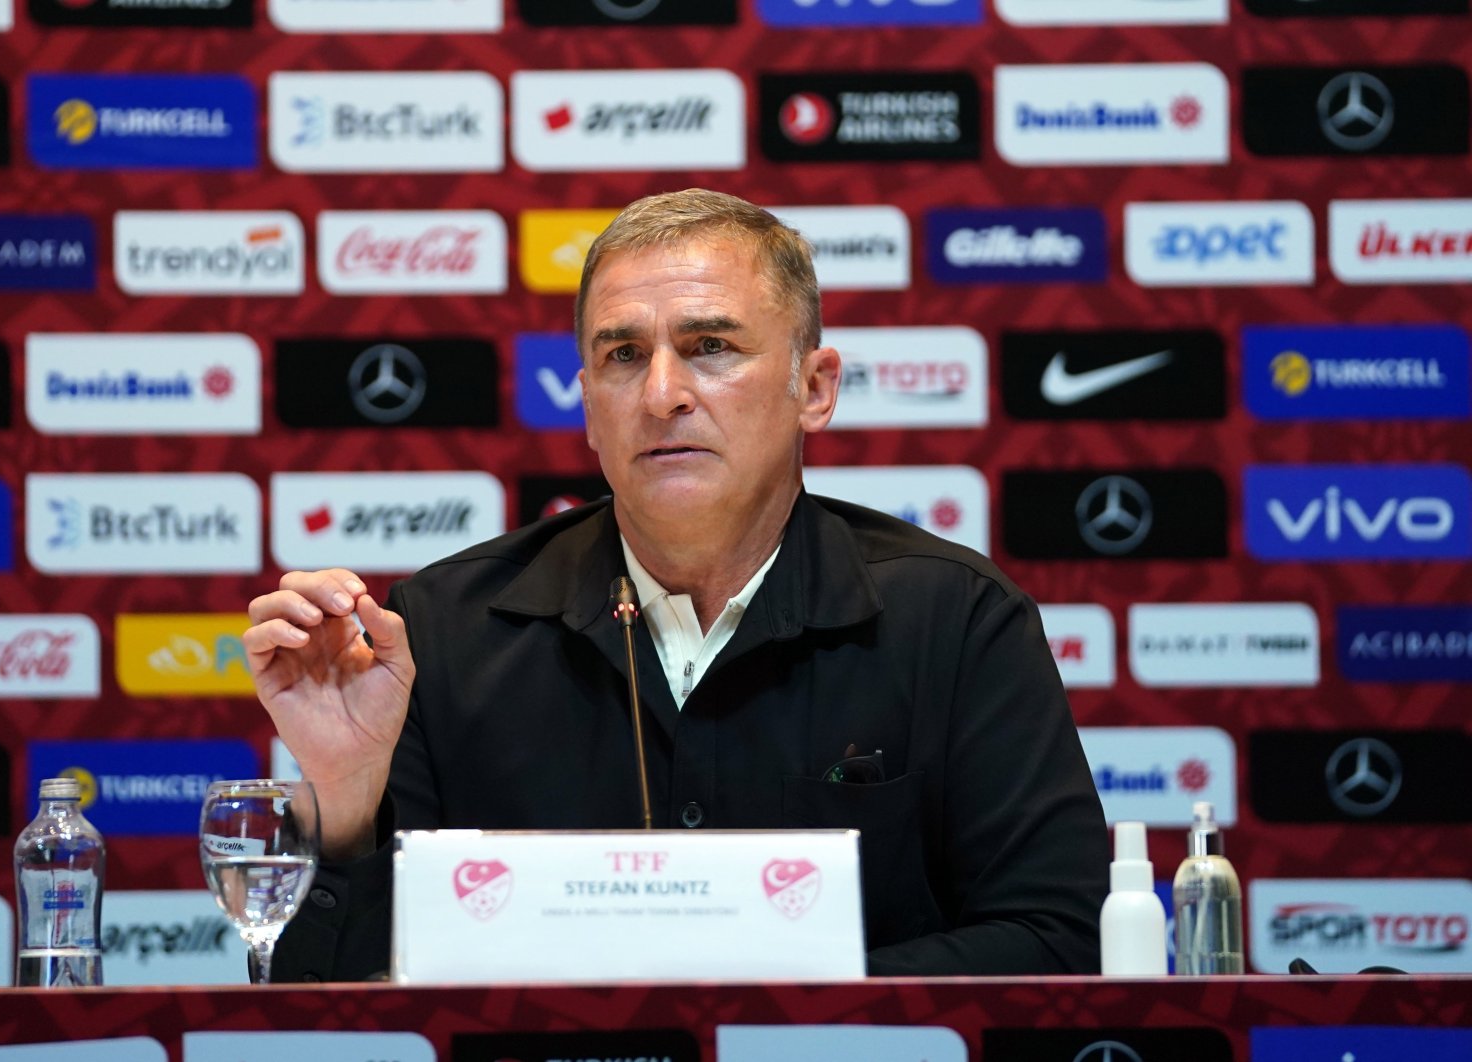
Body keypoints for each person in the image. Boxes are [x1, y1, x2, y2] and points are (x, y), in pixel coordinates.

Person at [245, 188, 1107, 982]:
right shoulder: (440, 630)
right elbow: (333, 1010)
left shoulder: (955, 619)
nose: (662, 394)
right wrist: (346, 804)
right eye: (623, 355)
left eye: (711, 347)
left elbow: (1061, 941)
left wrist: (769, 1004)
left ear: (814, 387)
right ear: (587, 405)